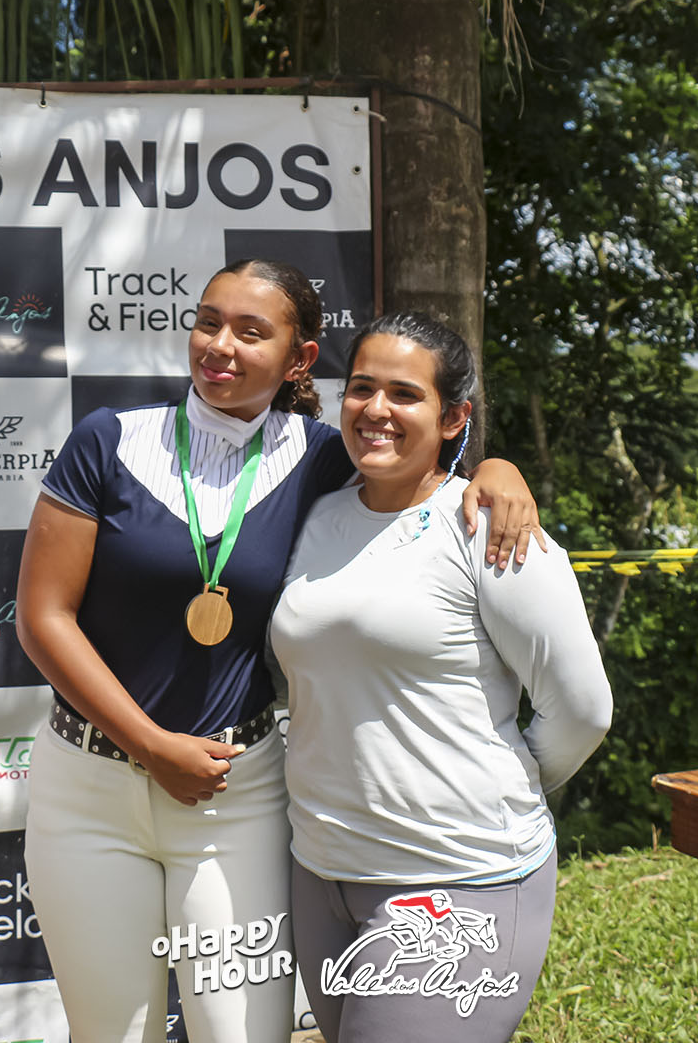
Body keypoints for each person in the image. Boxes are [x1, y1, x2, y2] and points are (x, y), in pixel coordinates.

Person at [16, 259, 542, 1043]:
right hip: (86, 793)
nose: (219, 345)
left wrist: (495, 468)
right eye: (208, 322)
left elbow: (427, 469)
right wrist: (151, 745)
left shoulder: (326, 456)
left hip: (239, 797)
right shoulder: (109, 441)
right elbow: (41, 618)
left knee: (243, 1034)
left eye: (250, 332)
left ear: (299, 360)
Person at [270, 311, 613, 1043]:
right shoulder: (318, 516)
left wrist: (498, 787)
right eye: (362, 388)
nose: (377, 411)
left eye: (405, 394)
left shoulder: (490, 526)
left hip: (455, 878)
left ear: (455, 417)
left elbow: (582, 710)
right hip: (323, 872)